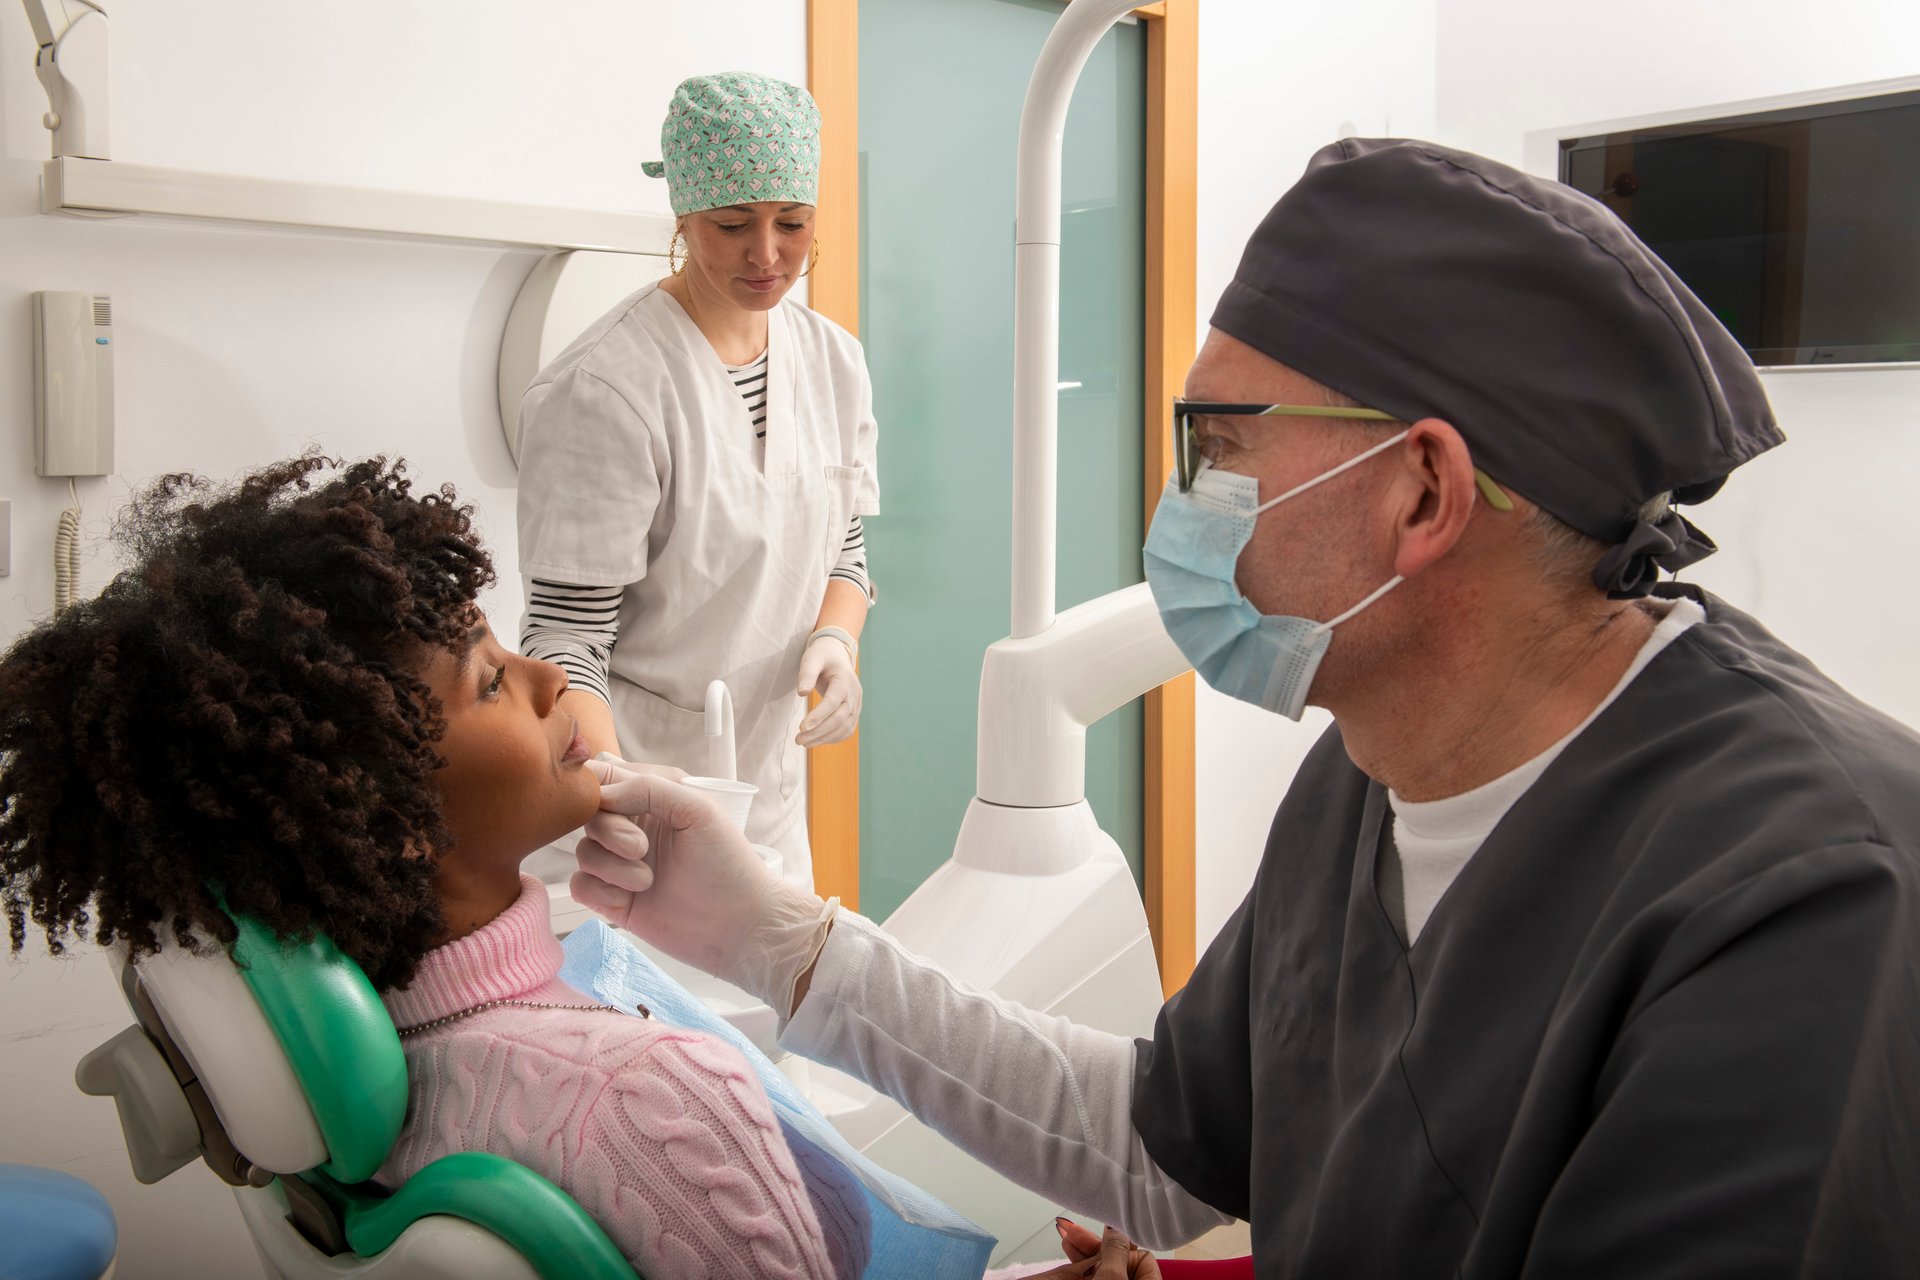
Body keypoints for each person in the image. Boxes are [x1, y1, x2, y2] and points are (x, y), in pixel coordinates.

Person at [569, 138, 1920, 1277]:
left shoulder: (1804, 893)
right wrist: (784, 944)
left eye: (1217, 446)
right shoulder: (1375, 769)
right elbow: (1166, 1150)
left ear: (1425, 493)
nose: (1179, 506)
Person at [0, 456, 871, 1280]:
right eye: (490, 681)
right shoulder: (650, 1099)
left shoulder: (387, 1097)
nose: (547, 678)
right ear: (385, 817)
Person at [516, 71, 879, 889]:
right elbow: (566, 636)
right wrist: (619, 786)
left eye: (792, 222)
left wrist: (836, 641)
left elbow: (844, 545)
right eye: (732, 224)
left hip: (771, 802)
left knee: (775, 1012)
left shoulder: (835, 363)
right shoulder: (606, 390)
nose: (767, 253)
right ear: (683, 219)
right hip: (635, 808)